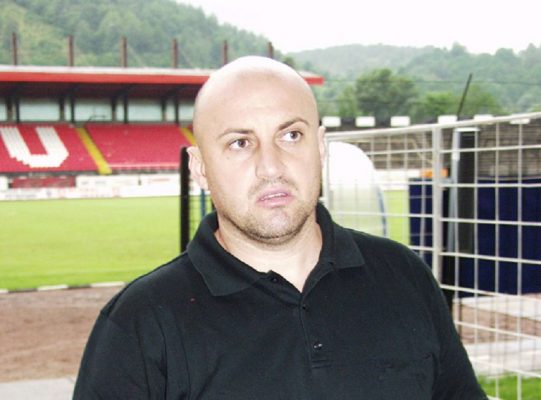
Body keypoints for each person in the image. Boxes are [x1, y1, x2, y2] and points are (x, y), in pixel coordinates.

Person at [73, 56, 487, 399]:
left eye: (290, 136)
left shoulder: (404, 275)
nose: (270, 167)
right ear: (200, 168)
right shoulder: (141, 322)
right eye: (240, 143)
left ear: (320, 147)